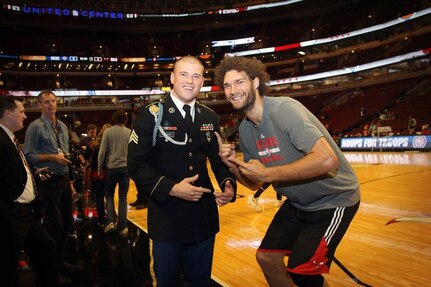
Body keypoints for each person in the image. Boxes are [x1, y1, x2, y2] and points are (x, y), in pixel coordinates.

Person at [214, 57, 360, 287]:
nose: (233, 90)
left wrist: (269, 174)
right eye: (227, 85)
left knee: (302, 270)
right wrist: (233, 166)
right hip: (299, 203)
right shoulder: (245, 129)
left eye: (239, 82)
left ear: (254, 82)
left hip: (334, 200)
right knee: (267, 258)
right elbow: (254, 184)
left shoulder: (284, 109)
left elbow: (327, 159)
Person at [127, 56, 237, 287]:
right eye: (184, 75)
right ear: (172, 78)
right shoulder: (151, 115)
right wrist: (172, 188)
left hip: (203, 220)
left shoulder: (209, 116)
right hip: (167, 218)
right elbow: (136, 165)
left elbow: (217, 160)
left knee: (200, 282)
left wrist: (228, 182)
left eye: (196, 76)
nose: (190, 81)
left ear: (202, 81)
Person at [24, 90, 82, 284]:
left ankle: (60, 262)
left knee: (67, 223)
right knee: (53, 225)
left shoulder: (64, 126)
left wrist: (71, 183)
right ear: (40, 104)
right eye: (47, 102)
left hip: (64, 180)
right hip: (48, 181)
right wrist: (52, 157)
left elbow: (64, 155)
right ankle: (49, 268)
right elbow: (29, 155)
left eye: (53, 101)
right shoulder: (35, 127)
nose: (51, 105)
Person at [0, 96, 58, 287]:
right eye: (22, 112)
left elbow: (13, 169)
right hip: (10, 212)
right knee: (8, 263)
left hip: (24, 212)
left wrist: (34, 173)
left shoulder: (10, 137)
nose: (25, 116)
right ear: (8, 113)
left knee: (46, 246)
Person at [98, 111, 131, 236]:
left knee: (109, 194)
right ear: (126, 119)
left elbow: (102, 152)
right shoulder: (129, 132)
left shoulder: (108, 132)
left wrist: (99, 168)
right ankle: (122, 227)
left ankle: (111, 221)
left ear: (113, 119)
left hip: (111, 168)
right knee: (123, 197)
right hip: (125, 168)